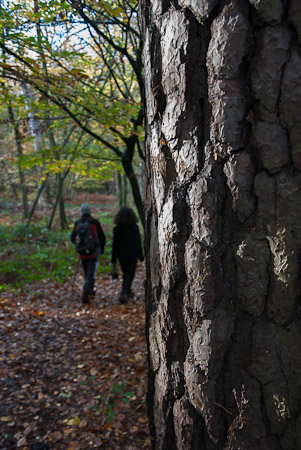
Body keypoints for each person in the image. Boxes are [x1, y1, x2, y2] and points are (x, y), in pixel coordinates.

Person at [71, 203, 106, 304]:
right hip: (93, 252)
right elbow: (102, 237)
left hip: (82, 252)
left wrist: (78, 246)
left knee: (87, 272)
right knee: (91, 272)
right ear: (90, 211)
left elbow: (73, 238)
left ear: (82, 211)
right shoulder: (94, 222)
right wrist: (101, 249)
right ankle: (86, 292)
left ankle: (90, 290)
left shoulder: (77, 223)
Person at [112, 206, 144, 303]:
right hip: (132, 254)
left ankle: (127, 292)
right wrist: (141, 256)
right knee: (129, 274)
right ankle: (123, 293)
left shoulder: (116, 229)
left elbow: (115, 245)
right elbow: (138, 242)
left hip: (121, 255)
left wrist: (113, 258)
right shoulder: (134, 227)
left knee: (126, 274)